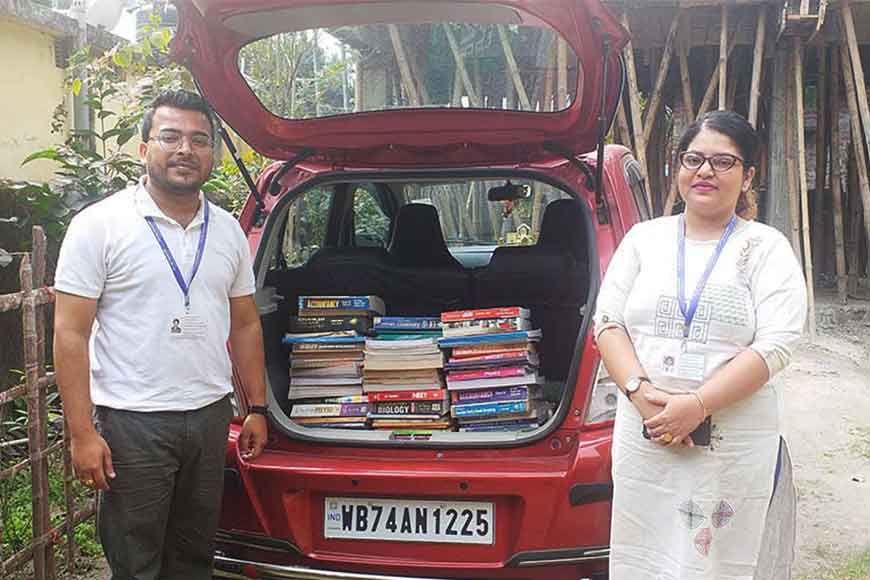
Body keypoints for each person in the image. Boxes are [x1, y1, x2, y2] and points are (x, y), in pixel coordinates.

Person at [53, 89, 268, 579]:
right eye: (170, 136)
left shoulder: (229, 230)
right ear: (143, 148)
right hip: (133, 422)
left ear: (212, 152)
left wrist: (255, 407)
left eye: (199, 139)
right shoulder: (99, 225)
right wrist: (83, 432)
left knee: (194, 557)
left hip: (210, 415)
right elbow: (69, 333)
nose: (185, 150)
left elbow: (246, 322)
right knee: (136, 560)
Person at [594, 110, 807, 579]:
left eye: (724, 162)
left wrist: (698, 403)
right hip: (647, 433)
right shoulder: (643, 241)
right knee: (643, 555)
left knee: (719, 558)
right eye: (694, 158)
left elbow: (777, 344)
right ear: (677, 167)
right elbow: (607, 323)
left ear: (749, 175)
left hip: (731, 439)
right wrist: (639, 392)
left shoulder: (767, 249)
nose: (706, 171)